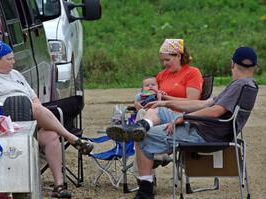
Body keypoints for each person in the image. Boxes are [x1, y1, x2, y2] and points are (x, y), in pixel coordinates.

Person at [107, 46, 259, 199]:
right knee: (157, 112)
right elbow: (204, 104)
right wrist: (166, 104)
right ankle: (141, 125)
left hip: (203, 133)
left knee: (142, 137)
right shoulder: (248, 84)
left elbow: (215, 111)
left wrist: (185, 118)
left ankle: (145, 192)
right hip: (206, 128)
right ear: (255, 67)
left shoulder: (239, 85)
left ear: (232, 64)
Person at [0, 39, 93, 198]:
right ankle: (72, 138)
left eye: (13, 58)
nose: (13, 62)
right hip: (2, 128)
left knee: (51, 136)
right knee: (32, 107)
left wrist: (29, 108)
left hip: (29, 122)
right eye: (9, 59)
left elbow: (35, 100)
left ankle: (59, 186)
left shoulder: (15, 74)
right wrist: (19, 106)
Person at [134, 39, 203, 111]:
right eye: (162, 60)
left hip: (181, 114)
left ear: (178, 56)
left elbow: (192, 102)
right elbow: (150, 92)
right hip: (159, 112)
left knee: (150, 113)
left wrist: (165, 98)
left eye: (167, 60)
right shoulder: (161, 75)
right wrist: (137, 102)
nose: (164, 64)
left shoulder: (192, 72)